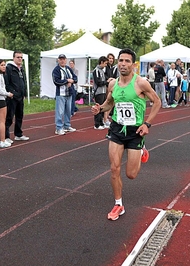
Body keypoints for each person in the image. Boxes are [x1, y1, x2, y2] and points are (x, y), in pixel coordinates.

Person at [90, 48, 161, 221]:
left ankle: (142, 149)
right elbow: (109, 104)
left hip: (135, 131)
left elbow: (157, 101)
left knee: (131, 174)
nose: (123, 64)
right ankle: (118, 204)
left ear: (133, 65)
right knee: (114, 168)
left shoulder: (141, 83)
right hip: (116, 128)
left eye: (127, 61)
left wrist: (147, 123)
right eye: (121, 60)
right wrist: (99, 109)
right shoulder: (112, 84)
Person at [4, 51, 29, 143]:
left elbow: (23, 82)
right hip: (12, 97)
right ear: (13, 58)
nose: (20, 59)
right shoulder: (9, 68)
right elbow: (7, 83)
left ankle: (18, 134)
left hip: (20, 97)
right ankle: (6, 136)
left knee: (19, 116)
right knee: (9, 117)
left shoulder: (21, 69)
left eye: (21, 57)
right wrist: (13, 93)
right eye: (18, 57)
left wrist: (24, 93)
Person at [52, 54, 77, 135]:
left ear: (66, 60)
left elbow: (75, 77)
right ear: (58, 60)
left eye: (64, 59)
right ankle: (58, 128)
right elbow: (56, 81)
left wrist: (72, 81)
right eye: (61, 59)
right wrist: (67, 81)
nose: (62, 61)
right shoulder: (56, 70)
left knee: (68, 111)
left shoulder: (68, 68)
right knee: (60, 112)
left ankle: (67, 125)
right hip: (61, 94)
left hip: (69, 93)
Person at [92, 56, 109, 130]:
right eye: (105, 63)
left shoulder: (102, 70)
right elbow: (98, 82)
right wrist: (106, 82)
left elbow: (105, 78)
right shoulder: (96, 71)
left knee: (102, 107)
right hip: (98, 92)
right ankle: (97, 124)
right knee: (98, 107)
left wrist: (109, 79)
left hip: (103, 91)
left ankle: (101, 122)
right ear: (101, 62)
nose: (106, 65)